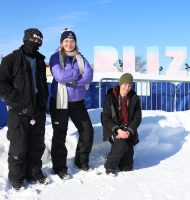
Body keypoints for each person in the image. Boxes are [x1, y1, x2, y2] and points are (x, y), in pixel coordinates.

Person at [0, 28, 49, 191]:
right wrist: (18, 100)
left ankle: (34, 173)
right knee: (19, 148)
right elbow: (2, 84)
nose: (35, 43)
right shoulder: (10, 59)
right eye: (33, 40)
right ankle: (17, 178)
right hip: (19, 112)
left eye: (38, 41)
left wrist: (43, 102)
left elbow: (41, 84)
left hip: (38, 111)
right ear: (25, 39)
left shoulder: (41, 61)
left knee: (37, 146)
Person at [49, 28, 94, 179]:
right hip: (60, 102)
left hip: (77, 102)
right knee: (60, 134)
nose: (69, 44)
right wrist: (76, 75)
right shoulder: (55, 57)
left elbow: (88, 76)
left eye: (72, 41)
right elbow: (60, 76)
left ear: (76, 43)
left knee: (87, 131)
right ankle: (59, 168)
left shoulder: (81, 58)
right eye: (66, 41)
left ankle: (81, 161)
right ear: (61, 43)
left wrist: (74, 82)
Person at [101, 73, 142, 175]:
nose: (127, 88)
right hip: (114, 129)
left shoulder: (134, 98)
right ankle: (109, 165)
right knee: (121, 145)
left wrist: (128, 131)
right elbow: (105, 118)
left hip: (128, 130)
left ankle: (117, 156)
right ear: (120, 84)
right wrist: (117, 130)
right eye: (125, 85)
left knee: (126, 167)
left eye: (129, 85)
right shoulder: (111, 97)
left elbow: (137, 118)